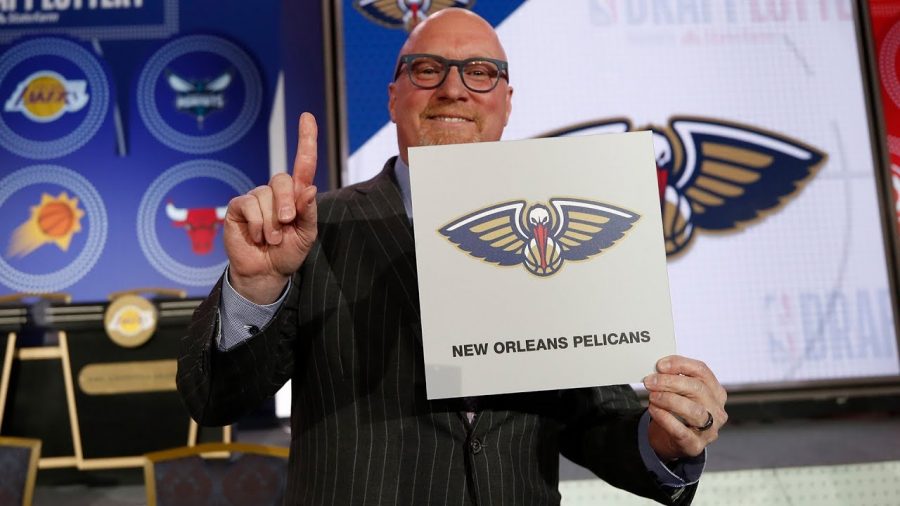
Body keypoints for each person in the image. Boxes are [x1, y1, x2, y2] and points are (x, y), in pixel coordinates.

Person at [177, 8, 727, 505]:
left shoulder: (550, 232)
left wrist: (664, 438)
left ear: (506, 103)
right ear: (393, 96)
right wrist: (255, 289)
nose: (453, 90)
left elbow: (590, 418)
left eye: (480, 72)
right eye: (426, 69)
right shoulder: (312, 231)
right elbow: (215, 399)